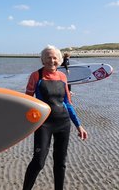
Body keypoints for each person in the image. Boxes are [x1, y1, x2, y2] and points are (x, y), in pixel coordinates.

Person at [22, 45, 88, 190]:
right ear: (43, 60)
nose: (51, 61)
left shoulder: (63, 76)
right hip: (43, 124)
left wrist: (78, 125)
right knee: (39, 161)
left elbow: (68, 103)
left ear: (59, 60)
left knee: (61, 162)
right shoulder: (36, 76)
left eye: (54, 58)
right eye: (48, 58)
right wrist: (25, 124)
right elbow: (27, 102)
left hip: (63, 123)